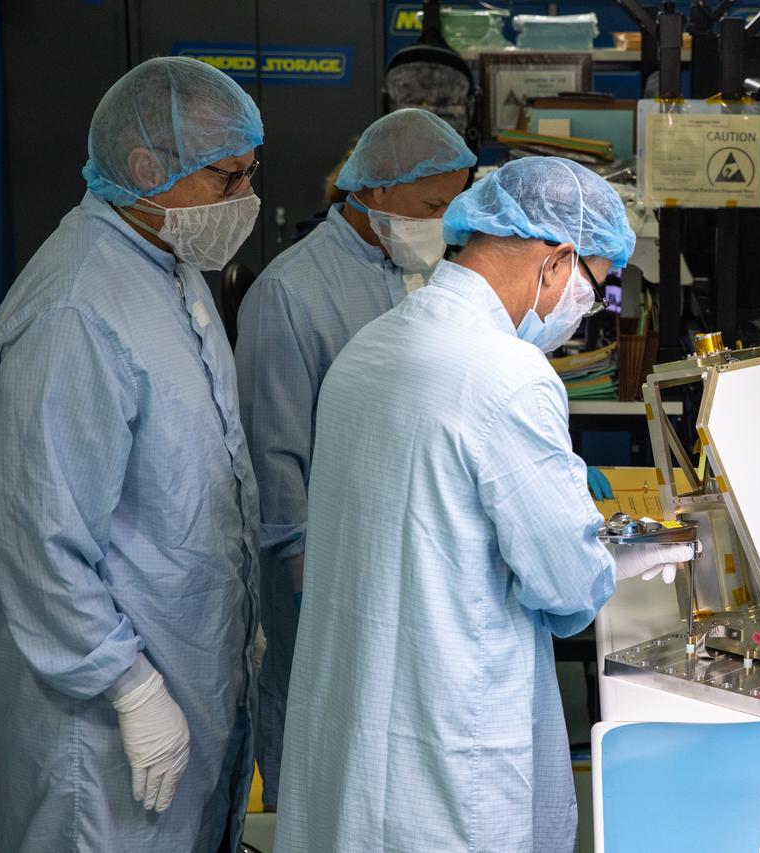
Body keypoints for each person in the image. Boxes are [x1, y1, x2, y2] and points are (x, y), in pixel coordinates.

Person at [274, 156, 694, 852]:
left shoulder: (367, 348)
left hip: (354, 741)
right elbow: (566, 592)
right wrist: (591, 541)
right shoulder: (509, 374)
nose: (588, 307)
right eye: (595, 286)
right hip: (447, 759)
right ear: (555, 263)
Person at [0, 56, 263, 852]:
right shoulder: (76, 309)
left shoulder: (170, 266)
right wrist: (130, 685)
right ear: (146, 170)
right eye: (227, 178)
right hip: (101, 717)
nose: (246, 199)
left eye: (250, 174)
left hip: (185, 664)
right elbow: (41, 543)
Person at [234, 107, 474, 809]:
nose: (447, 220)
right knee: (320, 746)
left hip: (407, 561)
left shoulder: (419, 268)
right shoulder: (291, 292)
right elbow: (273, 460)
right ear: (374, 192)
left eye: (458, 202)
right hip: (323, 576)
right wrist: (317, 589)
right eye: (434, 205)